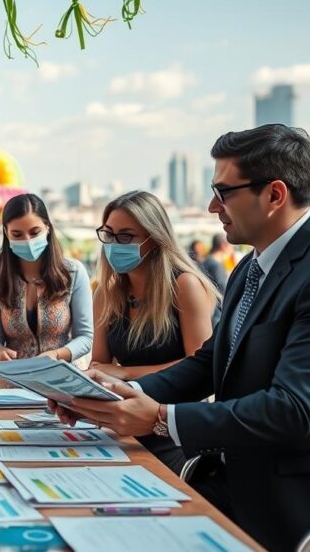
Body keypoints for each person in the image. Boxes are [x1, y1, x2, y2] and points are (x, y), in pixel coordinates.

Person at [52, 125, 310, 552]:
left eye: (224, 192)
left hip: (309, 508)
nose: (213, 206)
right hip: (239, 479)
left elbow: (291, 409)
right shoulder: (252, 268)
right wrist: (121, 393)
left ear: (274, 195)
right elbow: (210, 361)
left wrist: (160, 417)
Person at [89, 191, 220, 473]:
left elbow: (199, 365)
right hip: (121, 425)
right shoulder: (106, 294)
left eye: (126, 236)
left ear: (154, 239)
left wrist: (125, 373)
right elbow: (99, 365)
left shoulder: (184, 286)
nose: (114, 244)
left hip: (171, 429)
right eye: (108, 235)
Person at [0, 193, 94, 365]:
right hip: (14, 380)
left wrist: (57, 355)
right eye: (17, 235)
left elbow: (86, 338)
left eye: (35, 233)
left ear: (48, 228)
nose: (27, 241)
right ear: (6, 232)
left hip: (63, 379)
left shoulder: (73, 272)